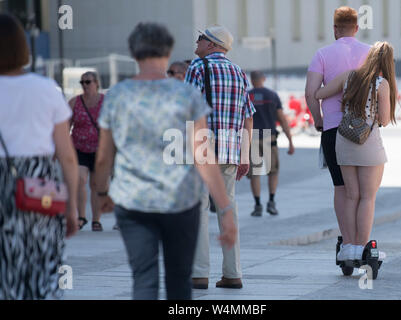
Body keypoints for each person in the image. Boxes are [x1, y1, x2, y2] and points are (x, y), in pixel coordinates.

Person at [94, 22, 236, 300]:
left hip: (134, 198)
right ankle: (225, 273)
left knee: (144, 277)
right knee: (178, 281)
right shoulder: (188, 91)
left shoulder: (119, 94)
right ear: (167, 51)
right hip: (182, 195)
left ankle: (201, 272)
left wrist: (102, 193)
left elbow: (104, 156)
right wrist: (227, 208)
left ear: (134, 54)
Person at [0, 13, 79, 299]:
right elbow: (68, 157)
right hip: (38, 186)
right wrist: (72, 207)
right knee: (43, 265)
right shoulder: (46, 89)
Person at [185, 25, 255, 289]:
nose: (197, 40)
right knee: (228, 209)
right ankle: (233, 273)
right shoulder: (238, 72)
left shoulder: (197, 67)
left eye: (201, 38)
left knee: (199, 209)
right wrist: (245, 155)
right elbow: (248, 116)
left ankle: (199, 273)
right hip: (231, 149)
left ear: (212, 45)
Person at [314, 41, 397, 260]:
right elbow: (385, 120)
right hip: (368, 142)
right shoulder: (382, 83)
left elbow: (319, 93)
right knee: (367, 197)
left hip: (343, 139)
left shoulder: (348, 76)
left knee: (351, 196)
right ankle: (361, 248)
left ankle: (348, 247)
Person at [305, 6, 371, 251]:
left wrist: (318, 118)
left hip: (334, 129)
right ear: (356, 27)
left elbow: (310, 93)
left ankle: (347, 243)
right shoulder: (371, 53)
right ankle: (362, 243)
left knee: (342, 187)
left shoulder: (322, 54)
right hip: (365, 131)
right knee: (364, 192)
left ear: (334, 28)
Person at [247, 71, 295, 217]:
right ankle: (271, 202)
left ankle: (257, 205)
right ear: (263, 79)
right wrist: (290, 141)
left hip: (252, 137)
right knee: (272, 172)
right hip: (269, 137)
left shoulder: (246, 96)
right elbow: (281, 118)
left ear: (251, 80)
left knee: (255, 173)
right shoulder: (272, 95)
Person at [68, 71, 105, 231]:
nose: (84, 85)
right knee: (80, 180)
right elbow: (66, 126)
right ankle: (82, 216)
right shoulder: (74, 102)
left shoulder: (106, 102)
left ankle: (96, 220)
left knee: (96, 185)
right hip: (79, 147)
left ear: (96, 83)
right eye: (82, 82)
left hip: (100, 149)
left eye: (88, 82)